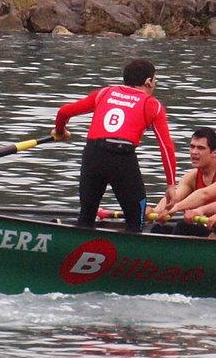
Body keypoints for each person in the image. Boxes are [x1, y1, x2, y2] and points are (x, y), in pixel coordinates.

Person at [52, 57, 176, 232]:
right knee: (136, 221)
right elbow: (166, 147)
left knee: (86, 216)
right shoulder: (152, 105)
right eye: (155, 80)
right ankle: (131, 254)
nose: (155, 85)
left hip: (93, 154)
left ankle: (78, 246)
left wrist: (59, 131)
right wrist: (171, 184)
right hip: (122, 159)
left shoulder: (104, 93)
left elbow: (64, 111)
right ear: (148, 81)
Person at [149, 127, 216, 223]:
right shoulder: (191, 177)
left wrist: (175, 208)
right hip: (208, 227)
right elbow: (174, 198)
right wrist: (155, 211)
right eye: (192, 147)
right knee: (160, 227)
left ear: (214, 152)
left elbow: (204, 194)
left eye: (200, 148)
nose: (194, 152)